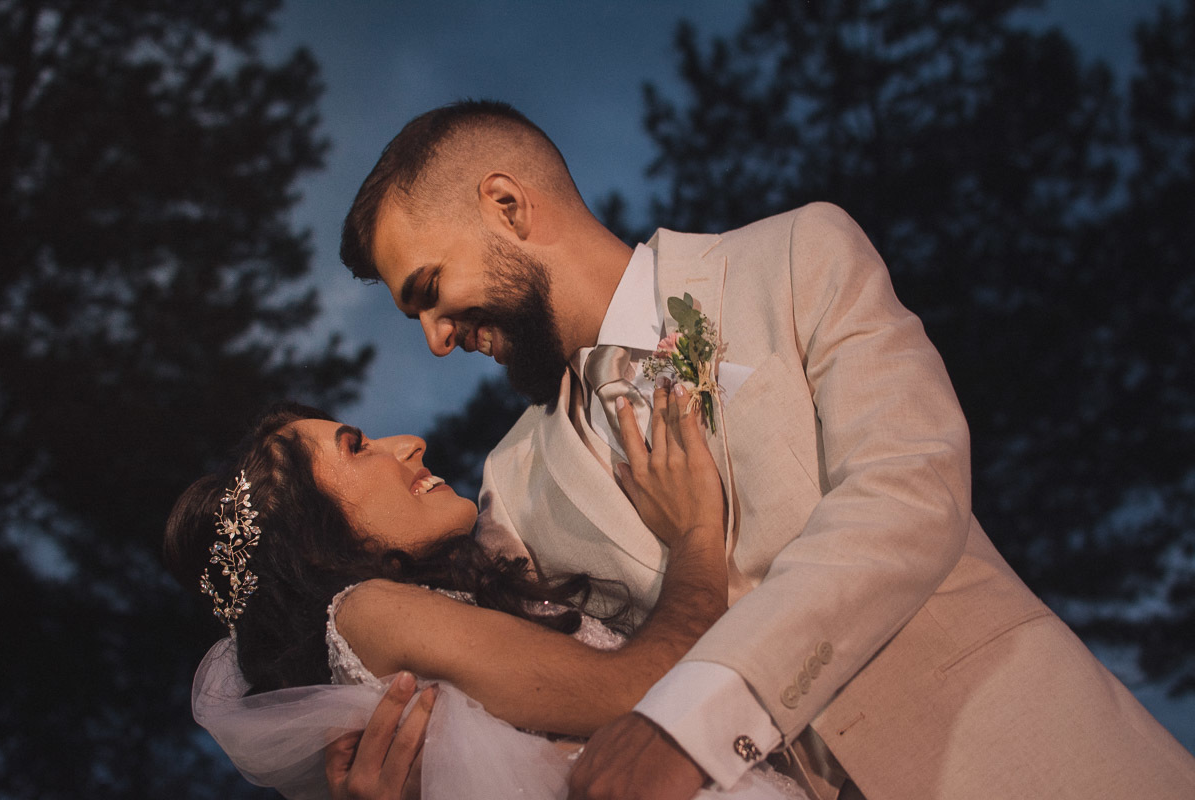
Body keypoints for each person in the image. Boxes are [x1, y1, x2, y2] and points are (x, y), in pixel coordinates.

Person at [336, 100, 1195, 800]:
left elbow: (911, 490)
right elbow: (537, 707)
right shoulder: (512, 487)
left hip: (1029, 765)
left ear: (507, 206)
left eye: (430, 290)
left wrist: (695, 721)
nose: (437, 340)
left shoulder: (792, 259)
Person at [166, 399, 809, 799]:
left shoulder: (414, 622)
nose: (408, 444)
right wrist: (697, 532)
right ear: (312, 537)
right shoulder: (365, 612)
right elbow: (636, 689)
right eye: (356, 448)